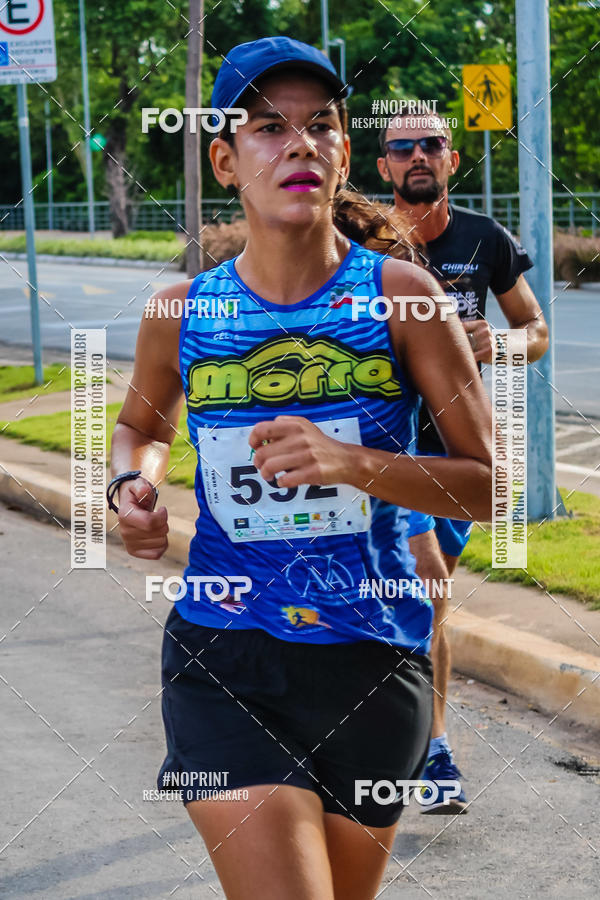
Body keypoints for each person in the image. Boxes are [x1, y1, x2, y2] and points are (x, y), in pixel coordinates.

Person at [110, 37, 493, 900]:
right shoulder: (181, 311)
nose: (300, 144)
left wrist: (355, 464)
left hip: (373, 657)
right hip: (224, 655)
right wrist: (130, 484)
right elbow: (139, 425)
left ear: (345, 154)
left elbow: (484, 481)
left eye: (321, 125)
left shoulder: (403, 296)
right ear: (224, 158)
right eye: (268, 128)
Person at [377, 111, 549, 813]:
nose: (418, 155)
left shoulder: (484, 239)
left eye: (432, 145)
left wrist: (495, 347)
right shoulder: (363, 240)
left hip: (461, 448)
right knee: (425, 585)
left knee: (430, 598)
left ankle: (414, 733)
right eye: (402, 147)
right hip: (385, 440)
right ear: (383, 165)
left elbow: (534, 329)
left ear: (452, 159)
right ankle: (431, 748)